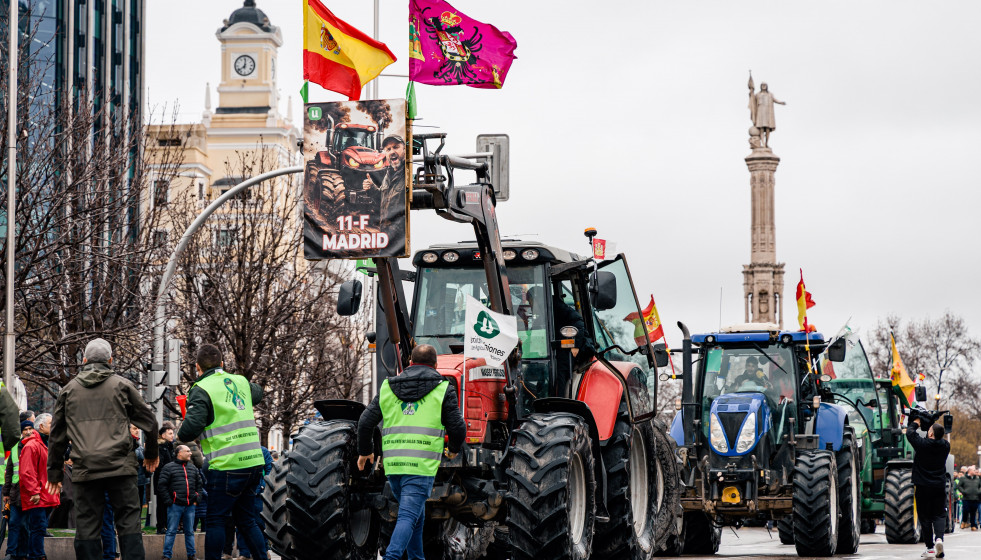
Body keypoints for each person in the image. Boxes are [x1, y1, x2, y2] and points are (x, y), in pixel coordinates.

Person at [46, 337, 160, 560]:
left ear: (85, 360)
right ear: (110, 360)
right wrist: (151, 454)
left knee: (87, 526)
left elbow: (57, 436)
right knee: (128, 522)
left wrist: (54, 473)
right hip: (121, 467)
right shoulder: (123, 385)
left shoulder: (68, 390)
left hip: (85, 469)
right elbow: (150, 422)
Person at [357, 344, 466, 560]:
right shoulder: (443, 388)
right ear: (435, 365)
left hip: (394, 466)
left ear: (409, 363)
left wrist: (365, 451)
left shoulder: (387, 386)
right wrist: (453, 450)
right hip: (421, 466)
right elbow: (458, 427)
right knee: (408, 516)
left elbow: (365, 423)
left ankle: (417, 558)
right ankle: (392, 557)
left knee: (416, 515)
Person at [176, 344, 267, 560]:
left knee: (216, 519)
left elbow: (190, 429)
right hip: (253, 463)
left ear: (197, 367)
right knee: (247, 521)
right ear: (223, 364)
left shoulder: (200, 388)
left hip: (227, 465)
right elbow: (258, 393)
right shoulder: (241, 382)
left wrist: (184, 424)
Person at [906, 414, 951, 558]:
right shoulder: (945, 446)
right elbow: (937, 438)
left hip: (923, 486)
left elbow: (910, 433)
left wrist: (917, 422)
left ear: (930, 433)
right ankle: (939, 538)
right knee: (939, 514)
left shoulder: (922, 445)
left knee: (925, 517)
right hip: (938, 485)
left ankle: (930, 548)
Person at [20, 419, 60, 560]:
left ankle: (37, 554)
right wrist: (34, 491)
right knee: (37, 527)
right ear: (41, 426)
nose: (54, 426)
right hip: (38, 495)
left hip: (45, 494)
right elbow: (27, 472)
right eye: (51, 424)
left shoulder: (45, 443)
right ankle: (37, 555)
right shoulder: (33, 445)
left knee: (39, 527)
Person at [158, 444, 202, 560]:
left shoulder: (193, 468)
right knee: (171, 531)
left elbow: (199, 484)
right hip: (175, 505)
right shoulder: (168, 467)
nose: (190, 453)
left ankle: (191, 555)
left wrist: (197, 499)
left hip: (190, 505)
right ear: (179, 453)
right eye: (187, 451)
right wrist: (169, 501)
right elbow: (161, 486)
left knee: (190, 532)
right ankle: (167, 556)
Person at [153, 422, 177, 533]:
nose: (172, 435)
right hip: (162, 481)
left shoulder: (170, 447)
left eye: (173, 433)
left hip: (170, 481)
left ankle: (168, 526)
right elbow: (160, 465)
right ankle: (161, 527)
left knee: (169, 504)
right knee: (162, 505)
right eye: (170, 433)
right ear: (163, 435)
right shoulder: (161, 447)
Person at [961, 466, 981, 531]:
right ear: (970, 471)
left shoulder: (978, 479)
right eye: (974, 470)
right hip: (966, 498)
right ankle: (964, 521)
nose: (975, 471)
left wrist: (979, 491)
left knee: (973, 512)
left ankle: (973, 525)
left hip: (975, 498)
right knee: (966, 510)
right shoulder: (963, 478)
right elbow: (958, 486)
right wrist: (963, 491)